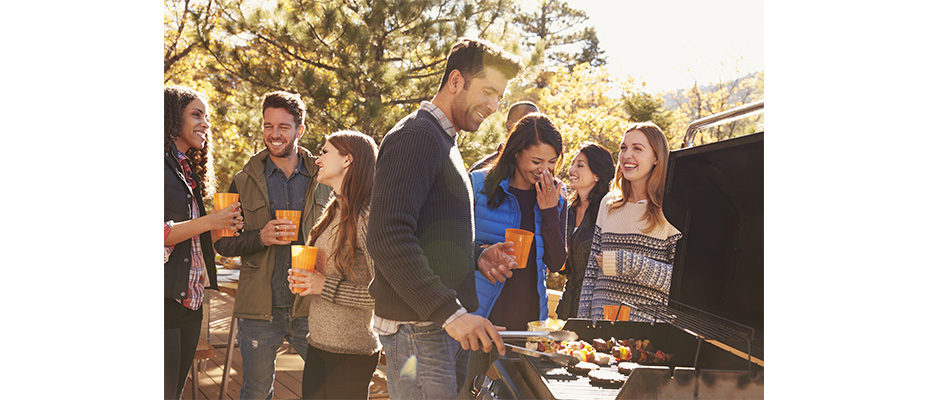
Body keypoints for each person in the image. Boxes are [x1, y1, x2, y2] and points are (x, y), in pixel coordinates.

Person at [366, 37, 524, 399]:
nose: (494, 105)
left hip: (432, 328)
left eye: (499, 95)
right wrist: (450, 313)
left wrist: (477, 255)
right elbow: (388, 236)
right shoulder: (417, 136)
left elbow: (426, 235)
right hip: (418, 330)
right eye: (487, 91)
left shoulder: (442, 141)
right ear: (455, 81)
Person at [213, 91, 333, 400]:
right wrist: (260, 237)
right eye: (268, 126)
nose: (274, 134)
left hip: (313, 306)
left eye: (283, 127)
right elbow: (223, 245)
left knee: (331, 389)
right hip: (260, 308)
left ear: (300, 130)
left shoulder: (325, 176)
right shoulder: (243, 180)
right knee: (255, 392)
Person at [286, 130, 381, 400]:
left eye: (325, 152)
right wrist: (306, 280)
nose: (317, 159)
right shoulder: (333, 211)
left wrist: (323, 285)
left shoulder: (367, 216)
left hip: (351, 354)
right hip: (318, 343)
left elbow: (384, 293)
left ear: (348, 160)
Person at [164, 85, 244, 399]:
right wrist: (210, 220)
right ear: (172, 117)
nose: (205, 124)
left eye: (207, 116)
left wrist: (219, 229)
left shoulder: (187, 172)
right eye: (196, 114)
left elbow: (191, 243)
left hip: (190, 303)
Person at [471, 112, 568, 330]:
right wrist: (482, 253)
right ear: (515, 152)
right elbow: (452, 245)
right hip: (479, 318)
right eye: (536, 161)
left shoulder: (557, 196)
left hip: (529, 324)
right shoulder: (478, 185)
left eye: (551, 162)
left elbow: (556, 263)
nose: (544, 170)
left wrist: (550, 211)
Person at [577, 122, 682, 322]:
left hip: (646, 336)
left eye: (637, 149)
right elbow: (591, 274)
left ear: (656, 158)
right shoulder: (608, 203)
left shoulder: (672, 210)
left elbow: (678, 284)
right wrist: (583, 324)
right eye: (623, 148)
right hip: (602, 330)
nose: (626, 155)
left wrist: (629, 263)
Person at [554, 142, 615, 320]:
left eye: (580, 165)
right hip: (566, 307)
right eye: (572, 163)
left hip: (594, 310)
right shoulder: (569, 210)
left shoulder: (608, 212)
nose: (572, 169)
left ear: (597, 175)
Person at [468, 101, 539, 172]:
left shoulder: (544, 170)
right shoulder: (481, 169)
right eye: (524, 123)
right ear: (508, 125)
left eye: (537, 125)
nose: (532, 129)